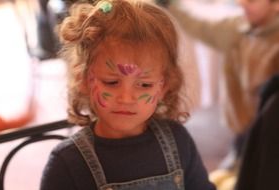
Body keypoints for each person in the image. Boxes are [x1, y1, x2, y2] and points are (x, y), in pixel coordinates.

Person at [40, 0, 215, 190]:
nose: (126, 98)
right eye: (111, 82)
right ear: (82, 79)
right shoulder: (68, 163)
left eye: (145, 84)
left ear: (164, 87)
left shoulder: (178, 141)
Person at [161, 0, 279, 170]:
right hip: (242, 129)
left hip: (270, 132)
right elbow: (199, 26)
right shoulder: (236, 28)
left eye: (252, 1)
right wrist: (169, 4)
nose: (242, 4)